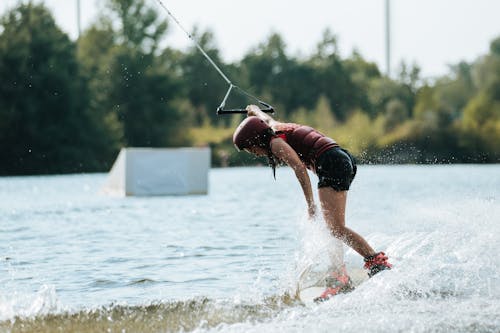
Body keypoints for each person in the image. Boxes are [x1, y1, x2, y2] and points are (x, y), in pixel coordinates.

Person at [233, 105, 392, 301]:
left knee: (335, 228)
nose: (254, 153)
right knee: (334, 228)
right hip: (342, 159)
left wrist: (310, 204)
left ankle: (375, 262)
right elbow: (264, 118)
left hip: (331, 163)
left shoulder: (275, 143)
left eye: (251, 148)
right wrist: (254, 110)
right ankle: (340, 276)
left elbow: (299, 168)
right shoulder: (274, 127)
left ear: (257, 139)